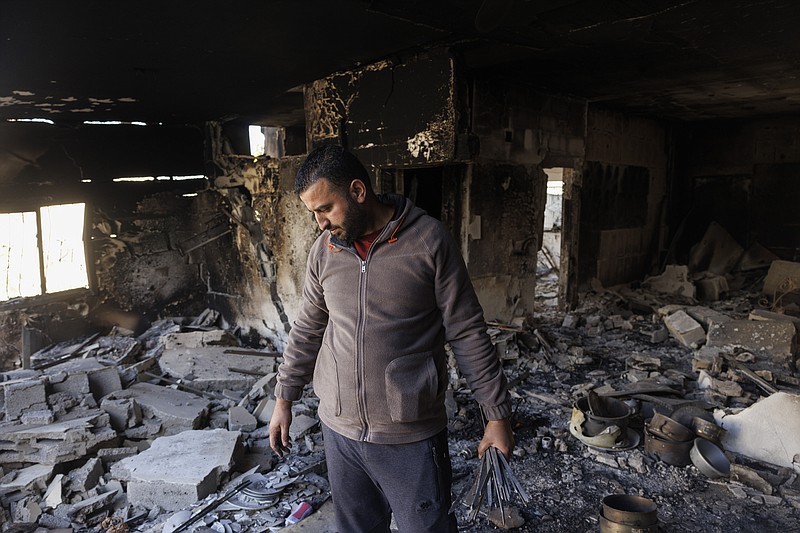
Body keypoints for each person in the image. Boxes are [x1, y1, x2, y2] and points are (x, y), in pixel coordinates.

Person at [269, 144, 514, 532]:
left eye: (325, 208)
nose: (319, 223)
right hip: (339, 432)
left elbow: (467, 331)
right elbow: (308, 327)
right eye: (313, 213)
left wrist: (497, 416)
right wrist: (284, 397)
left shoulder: (429, 241)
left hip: (410, 435)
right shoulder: (324, 251)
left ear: (358, 191)